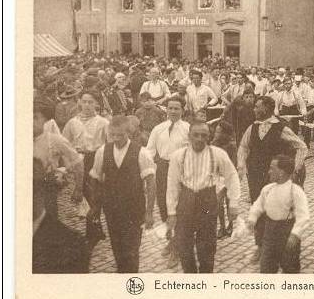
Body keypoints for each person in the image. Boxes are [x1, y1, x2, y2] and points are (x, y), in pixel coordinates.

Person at [237, 96, 308, 263]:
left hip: (275, 177)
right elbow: (243, 146)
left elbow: (301, 146)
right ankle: (260, 247)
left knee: (279, 212)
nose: (254, 110)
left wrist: (295, 169)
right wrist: (241, 165)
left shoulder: (280, 128)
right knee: (259, 209)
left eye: (257, 107)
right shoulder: (252, 127)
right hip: (255, 176)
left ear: (267, 109)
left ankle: (281, 248)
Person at [166, 120, 241, 273]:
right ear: (189, 136)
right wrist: (171, 212)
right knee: (184, 244)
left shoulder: (218, 154)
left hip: (207, 201)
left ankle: (206, 276)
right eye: (196, 135)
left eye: (204, 135)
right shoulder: (178, 156)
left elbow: (232, 176)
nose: (200, 139)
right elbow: (172, 184)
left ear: (209, 137)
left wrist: (233, 203)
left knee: (207, 245)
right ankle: (191, 276)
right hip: (186, 200)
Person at [88, 116, 157, 273]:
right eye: (113, 135)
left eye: (121, 135)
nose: (116, 138)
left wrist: (149, 213)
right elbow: (96, 179)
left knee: (131, 251)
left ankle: (131, 278)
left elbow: (151, 183)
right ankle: (121, 274)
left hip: (134, 210)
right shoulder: (102, 151)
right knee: (117, 247)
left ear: (129, 133)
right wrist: (95, 206)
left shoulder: (141, 152)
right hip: (111, 209)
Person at [145, 96, 190, 268]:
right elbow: (149, 151)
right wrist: (151, 169)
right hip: (162, 169)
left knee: (178, 208)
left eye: (176, 108)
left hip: (181, 170)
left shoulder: (187, 129)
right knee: (164, 207)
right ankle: (172, 240)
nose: (172, 111)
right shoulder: (158, 129)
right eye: (170, 108)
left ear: (182, 110)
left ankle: (177, 249)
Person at [247, 154, 310, 273]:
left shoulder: (295, 191)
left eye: (272, 168)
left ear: (281, 172)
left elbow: (303, 216)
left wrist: (295, 234)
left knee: (290, 268)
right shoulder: (268, 189)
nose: (269, 171)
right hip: (270, 232)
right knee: (266, 267)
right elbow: (258, 205)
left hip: (287, 233)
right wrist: (252, 218)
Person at [33, 99, 84, 221]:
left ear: (45, 121)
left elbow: (77, 161)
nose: (31, 121)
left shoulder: (55, 140)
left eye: (36, 118)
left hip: (46, 190)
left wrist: (78, 188)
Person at [62, 91, 110, 218]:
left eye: (90, 102)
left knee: (93, 195)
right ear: (79, 103)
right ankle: (90, 226)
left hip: (94, 159)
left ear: (96, 104)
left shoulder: (103, 122)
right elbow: (64, 143)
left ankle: (93, 230)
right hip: (77, 160)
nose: (87, 105)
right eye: (84, 102)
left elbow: (110, 145)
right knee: (80, 194)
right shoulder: (72, 122)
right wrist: (67, 163)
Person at [211, 120, 237, 238]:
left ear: (225, 133)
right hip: (217, 178)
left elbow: (233, 163)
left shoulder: (231, 146)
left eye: (218, 132)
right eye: (216, 131)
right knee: (218, 203)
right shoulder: (213, 144)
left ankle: (230, 225)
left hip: (228, 177)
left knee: (228, 200)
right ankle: (222, 226)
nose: (216, 134)